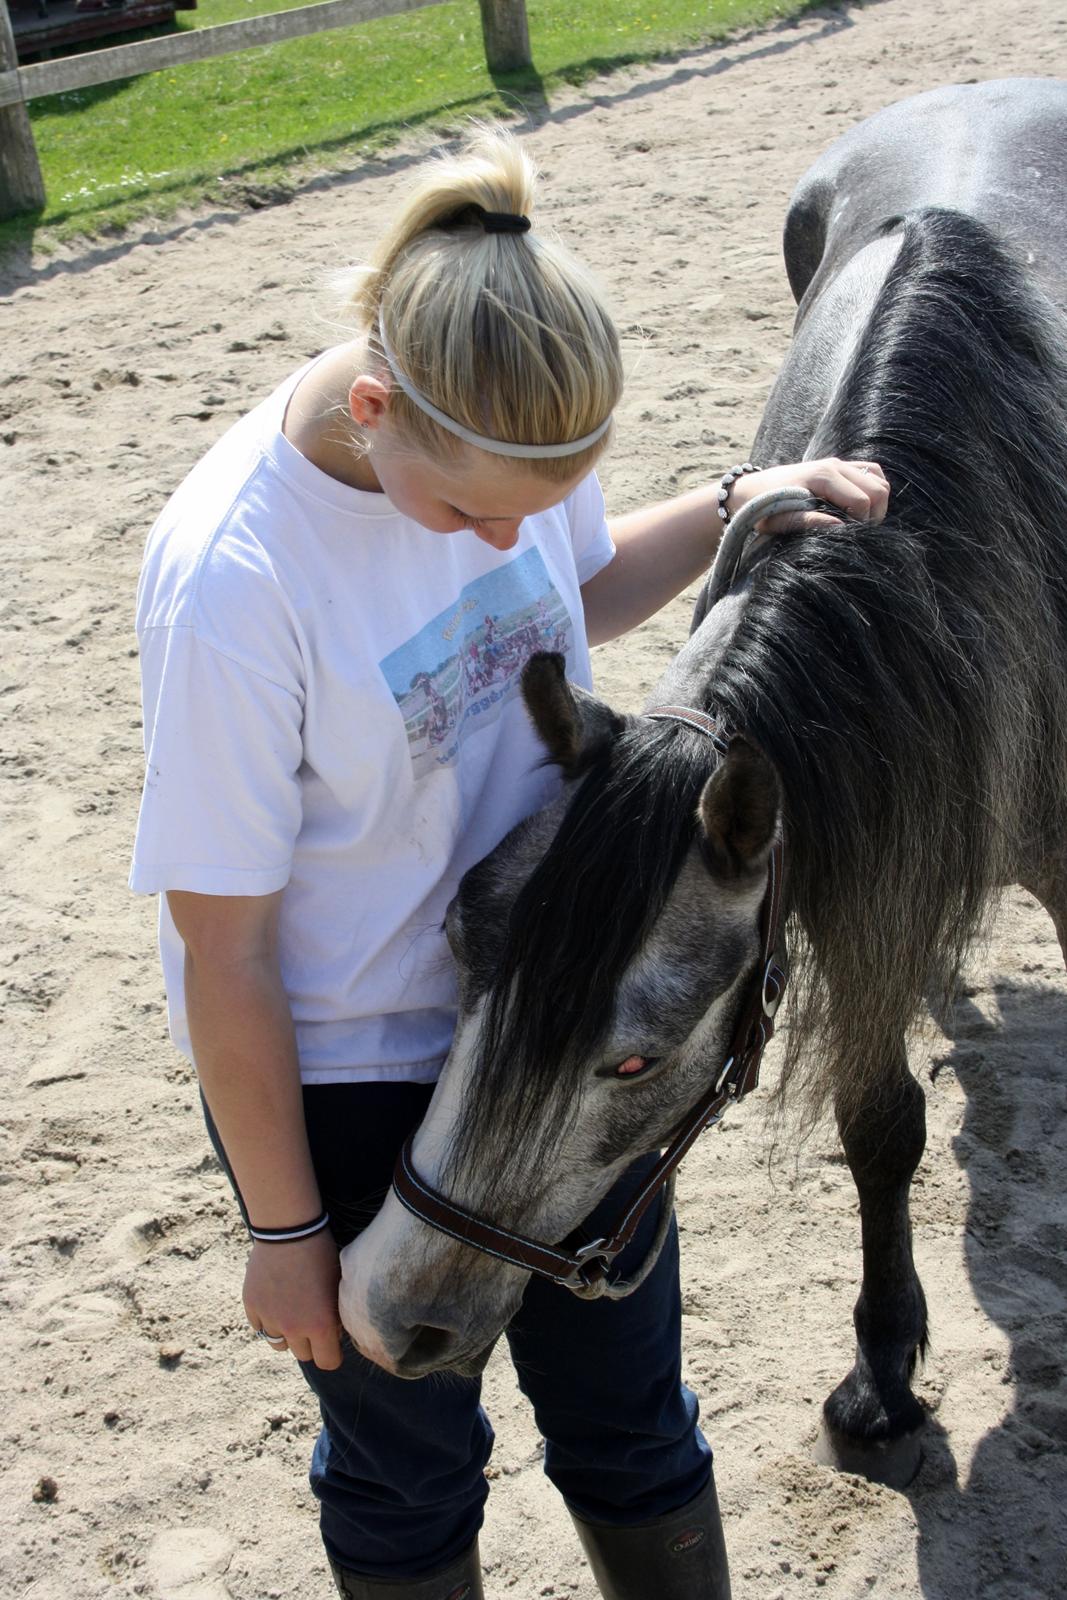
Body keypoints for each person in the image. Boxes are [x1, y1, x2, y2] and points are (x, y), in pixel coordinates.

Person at [130, 125, 889, 1600]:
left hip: (554, 1012)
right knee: (410, 1466)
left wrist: (739, 505)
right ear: (373, 408)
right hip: (352, 1077)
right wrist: (287, 1230)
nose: (503, 541)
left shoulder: (507, 449)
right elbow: (223, 953)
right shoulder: (238, 580)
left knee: (628, 1416)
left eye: (529, 509)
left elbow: (573, 591)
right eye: (471, 512)